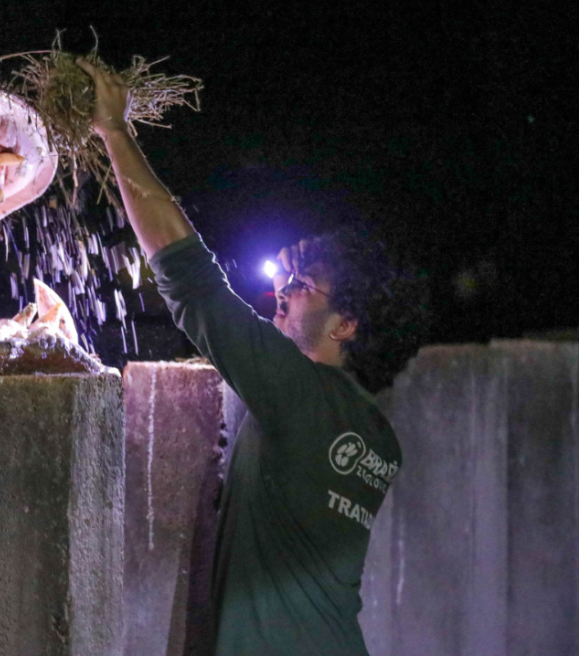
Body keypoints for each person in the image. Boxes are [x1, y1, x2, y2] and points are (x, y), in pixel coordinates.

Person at [76, 59, 424, 655]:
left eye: (302, 286)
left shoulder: (298, 394)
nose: (281, 294)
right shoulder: (379, 439)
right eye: (285, 282)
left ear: (345, 325)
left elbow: (190, 278)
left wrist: (114, 131)